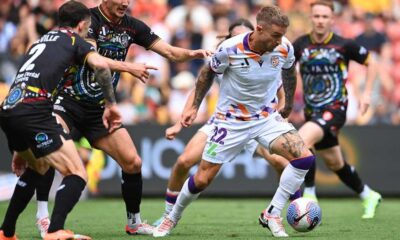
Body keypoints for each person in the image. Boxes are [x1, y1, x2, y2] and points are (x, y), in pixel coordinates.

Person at [13, 0, 212, 237]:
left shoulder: (132, 26)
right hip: (66, 102)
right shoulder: (88, 20)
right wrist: (129, 67)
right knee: (47, 155)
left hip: (99, 110)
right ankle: (43, 217)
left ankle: (134, 222)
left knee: (133, 162)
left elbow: (168, 51)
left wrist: (194, 54)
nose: (125, 3)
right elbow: (94, 59)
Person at [153, 5, 315, 238]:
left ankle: (272, 213)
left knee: (304, 158)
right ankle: (171, 218)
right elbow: (207, 74)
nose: (280, 41)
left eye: (282, 35)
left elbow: (289, 71)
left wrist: (288, 102)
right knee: (202, 178)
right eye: (276, 35)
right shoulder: (229, 49)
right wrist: (194, 107)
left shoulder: (284, 47)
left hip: (266, 118)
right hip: (230, 121)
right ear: (259, 29)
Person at [0, 1, 122, 239]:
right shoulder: (76, 41)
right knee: (77, 172)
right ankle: (55, 230)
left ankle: (6, 231)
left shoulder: (40, 41)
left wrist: (21, 146)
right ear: (81, 25)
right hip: (34, 111)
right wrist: (110, 104)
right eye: (87, 27)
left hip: (9, 109)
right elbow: (102, 68)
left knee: (39, 166)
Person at [292, 0, 381, 218]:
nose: (320, 20)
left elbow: (372, 63)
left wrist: (367, 93)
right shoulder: (300, 45)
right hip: (311, 111)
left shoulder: (344, 44)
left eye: (324, 17)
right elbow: (285, 71)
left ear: (332, 19)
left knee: (300, 143)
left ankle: (309, 195)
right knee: (334, 162)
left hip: (335, 107)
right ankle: (368, 195)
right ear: (310, 18)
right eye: (316, 16)